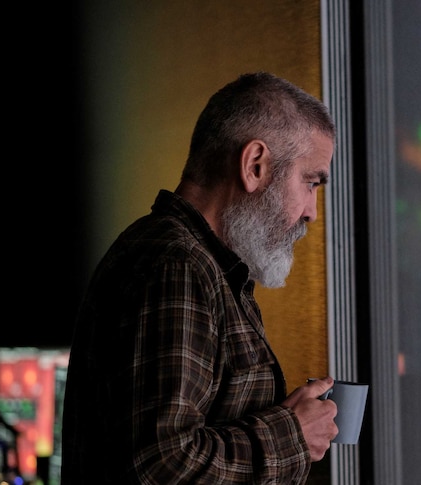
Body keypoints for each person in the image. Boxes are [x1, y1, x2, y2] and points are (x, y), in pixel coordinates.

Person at [61, 71, 339, 484]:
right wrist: (291, 435)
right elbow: (159, 468)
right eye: (311, 182)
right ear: (255, 165)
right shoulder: (175, 265)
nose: (311, 212)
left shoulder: (202, 265)